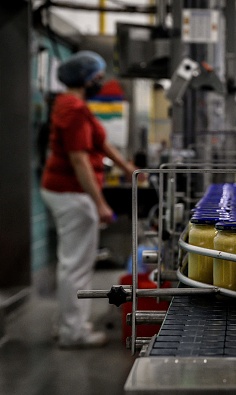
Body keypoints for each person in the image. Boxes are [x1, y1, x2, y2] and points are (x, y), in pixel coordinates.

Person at [41, 51, 137, 348]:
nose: (101, 81)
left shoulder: (70, 104)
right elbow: (79, 160)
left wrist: (128, 168)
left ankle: (67, 324)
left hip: (64, 190)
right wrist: (100, 204)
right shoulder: (75, 110)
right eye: (97, 76)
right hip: (72, 193)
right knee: (76, 266)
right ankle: (74, 332)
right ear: (85, 79)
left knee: (71, 264)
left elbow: (100, 142)